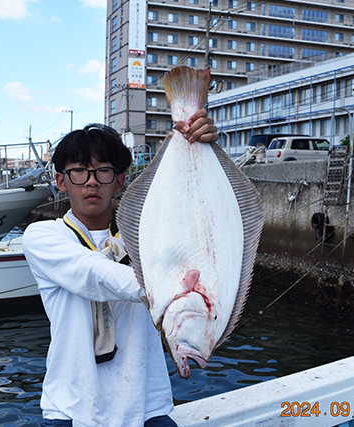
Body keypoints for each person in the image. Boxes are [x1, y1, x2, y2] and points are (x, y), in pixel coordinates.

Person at [22, 110, 218, 427]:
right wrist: (174, 287)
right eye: (79, 172)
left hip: (149, 408)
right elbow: (95, 275)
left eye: (103, 172)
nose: (91, 182)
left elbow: (201, 229)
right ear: (60, 181)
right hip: (72, 411)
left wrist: (200, 149)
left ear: (120, 180)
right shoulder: (43, 237)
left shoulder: (148, 236)